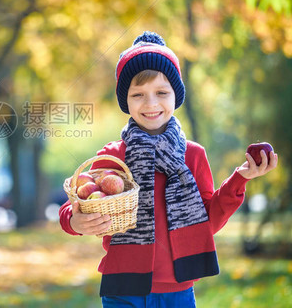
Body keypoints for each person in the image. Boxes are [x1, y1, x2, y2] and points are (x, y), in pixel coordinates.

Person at [58, 31, 278, 307]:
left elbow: (207, 222)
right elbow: (75, 204)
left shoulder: (192, 155)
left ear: (177, 95)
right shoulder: (114, 158)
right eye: (138, 94)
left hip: (178, 290)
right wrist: (74, 221)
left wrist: (240, 178)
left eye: (162, 92)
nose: (151, 104)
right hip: (122, 288)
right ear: (125, 101)